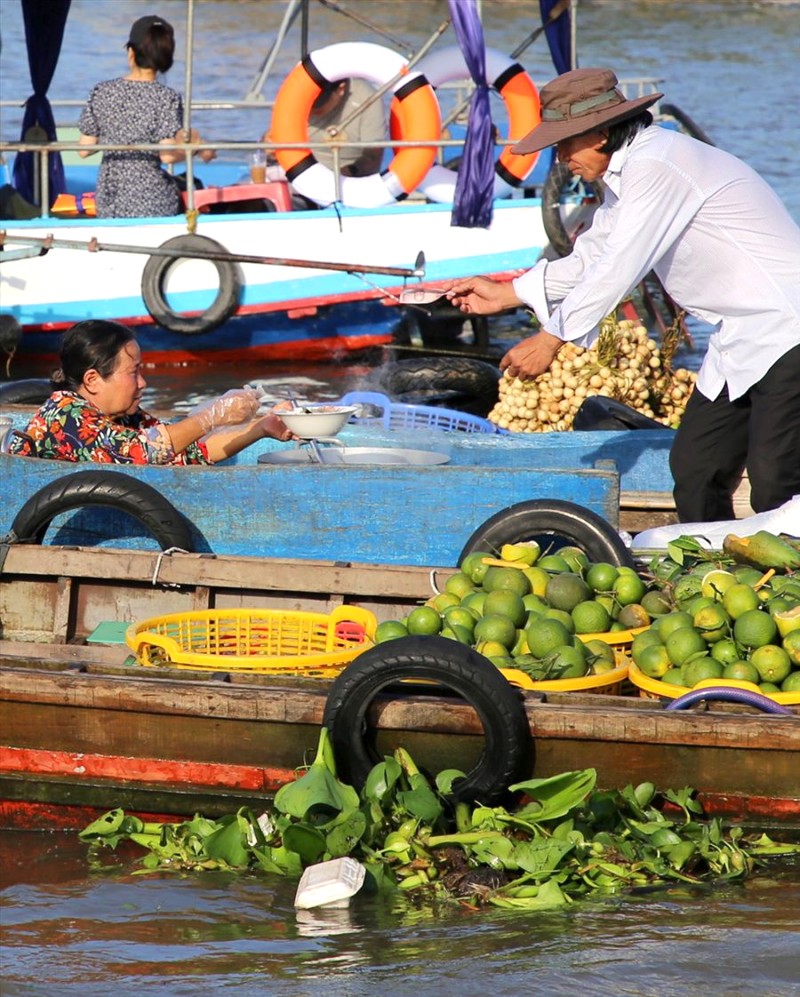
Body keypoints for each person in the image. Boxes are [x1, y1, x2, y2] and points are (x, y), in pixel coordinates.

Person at [444, 67, 800, 523]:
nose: (558, 159)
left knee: (776, 480)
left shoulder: (657, 164)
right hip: (739, 337)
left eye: (563, 143)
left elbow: (619, 267)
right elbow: (594, 255)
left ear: (599, 134)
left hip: (787, 328)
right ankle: (711, 578)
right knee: (696, 468)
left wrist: (551, 339)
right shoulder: (629, 174)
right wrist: (508, 294)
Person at [8, 320, 296, 465]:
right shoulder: (65, 414)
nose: (143, 383)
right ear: (93, 380)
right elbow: (145, 451)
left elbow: (191, 451)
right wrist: (211, 415)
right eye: (133, 372)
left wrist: (261, 427)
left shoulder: (123, 418)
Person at [77, 14, 215, 218]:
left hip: (110, 200)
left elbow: (84, 150)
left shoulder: (102, 91)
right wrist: (196, 148)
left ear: (131, 53)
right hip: (153, 200)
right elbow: (167, 155)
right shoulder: (167, 96)